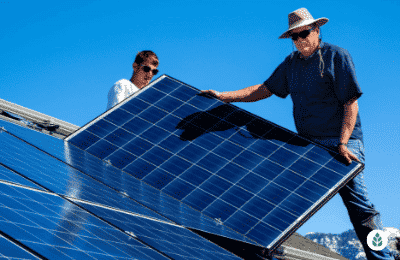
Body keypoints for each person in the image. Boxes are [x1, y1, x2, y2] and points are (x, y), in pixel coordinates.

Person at [202, 7, 394, 260]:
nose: (301, 40)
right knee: (288, 197)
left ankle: (383, 258)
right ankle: (271, 250)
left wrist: (343, 143)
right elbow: (265, 89)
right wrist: (224, 96)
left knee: (360, 209)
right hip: (308, 144)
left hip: (343, 144)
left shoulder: (337, 56)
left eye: (305, 33)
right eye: (295, 36)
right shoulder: (291, 65)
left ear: (317, 30)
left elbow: (351, 103)